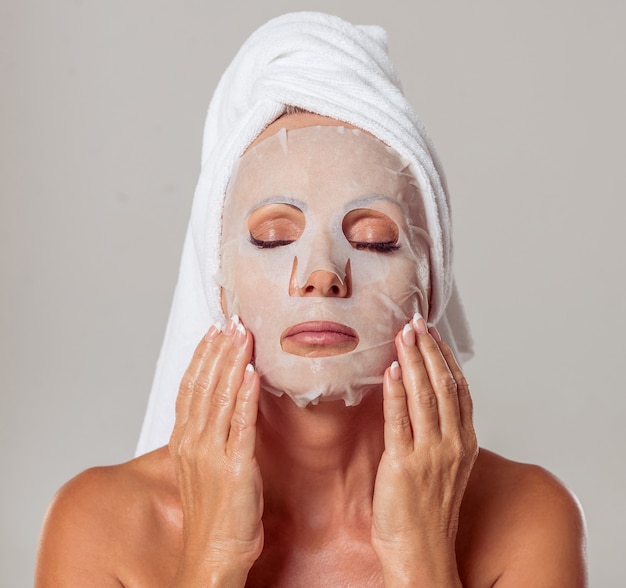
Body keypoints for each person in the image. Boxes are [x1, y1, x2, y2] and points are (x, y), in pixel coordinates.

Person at [35, 12, 587, 587]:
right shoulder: (102, 523)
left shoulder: (529, 518)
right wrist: (214, 558)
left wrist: (420, 557)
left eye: (374, 239)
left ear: (431, 279)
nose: (322, 275)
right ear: (218, 283)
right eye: (273, 238)